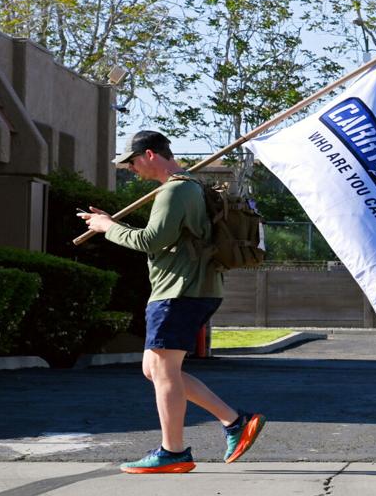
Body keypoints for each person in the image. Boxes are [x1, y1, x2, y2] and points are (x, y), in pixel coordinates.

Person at [80, 130, 264, 475]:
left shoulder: (176, 190)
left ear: (149, 154)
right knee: (156, 370)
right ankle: (235, 421)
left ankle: (173, 451)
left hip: (179, 292)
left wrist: (107, 227)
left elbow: (151, 240)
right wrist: (111, 223)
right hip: (188, 289)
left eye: (131, 161)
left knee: (164, 372)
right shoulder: (188, 186)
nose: (130, 169)